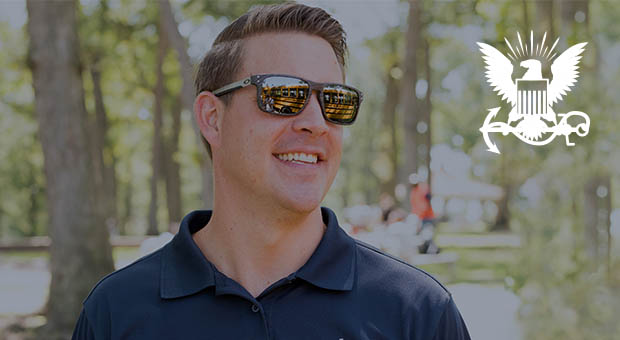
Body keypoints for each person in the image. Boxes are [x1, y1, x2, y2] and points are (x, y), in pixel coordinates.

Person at [72, 4, 470, 339]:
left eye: (335, 101)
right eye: (284, 94)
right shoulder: (114, 312)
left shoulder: (418, 313)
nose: (316, 121)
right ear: (212, 118)